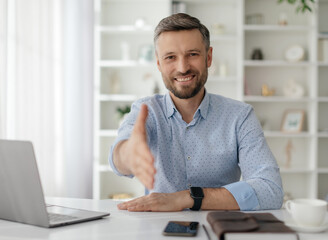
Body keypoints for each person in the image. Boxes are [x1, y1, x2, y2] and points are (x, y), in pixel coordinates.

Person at [108, 13, 283, 212]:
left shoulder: (240, 116)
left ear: (208, 57)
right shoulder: (146, 111)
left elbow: (271, 190)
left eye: (192, 54)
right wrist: (128, 153)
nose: (182, 68)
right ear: (159, 64)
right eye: (170, 57)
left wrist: (188, 198)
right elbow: (118, 159)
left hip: (220, 228)